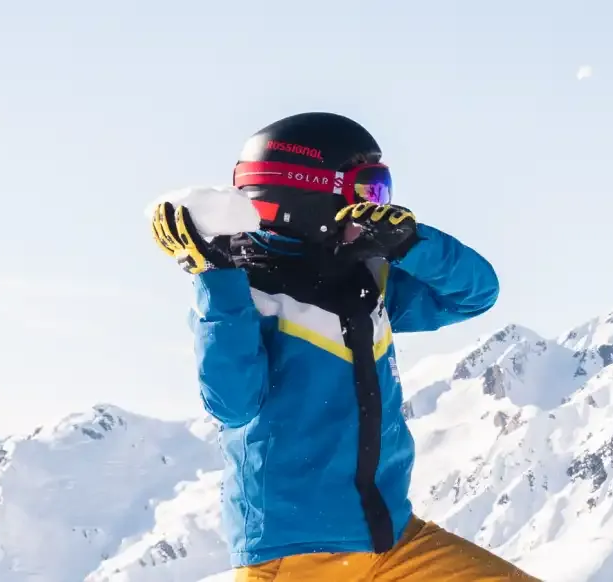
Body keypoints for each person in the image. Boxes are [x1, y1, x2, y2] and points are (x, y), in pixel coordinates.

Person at [149, 112, 526, 580]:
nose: (376, 207)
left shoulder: (367, 274)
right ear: (307, 197)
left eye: (381, 191)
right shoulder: (244, 293)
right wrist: (213, 279)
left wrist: (409, 243)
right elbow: (231, 404)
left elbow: (475, 293)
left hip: (392, 541)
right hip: (293, 557)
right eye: (366, 191)